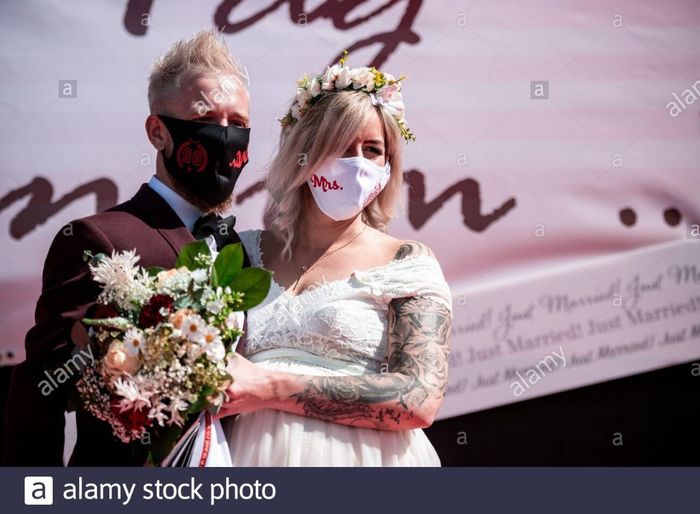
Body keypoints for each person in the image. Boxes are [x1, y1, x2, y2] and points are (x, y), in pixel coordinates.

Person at [2, 29, 251, 466]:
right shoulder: (99, 238)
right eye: (208, 121)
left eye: (239, 125)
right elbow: (41, 387)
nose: (225, 137)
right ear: (158, 132)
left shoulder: (247, 250)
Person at [218, 55, 453, 466]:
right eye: (342, 147)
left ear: (387, 166)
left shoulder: (406, 262)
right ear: (304, 154)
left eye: (372, 150)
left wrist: (271, 386)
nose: (357, 161)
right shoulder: (237, 252)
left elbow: (419, 399)